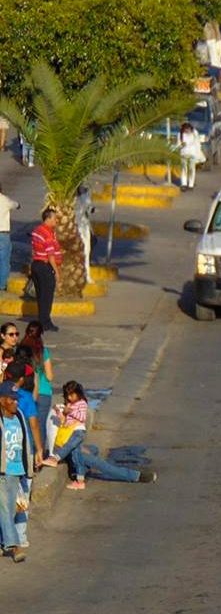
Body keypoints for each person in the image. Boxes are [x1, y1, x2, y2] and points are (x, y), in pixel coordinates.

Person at [0, 381, 33, 562]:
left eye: (16, 399)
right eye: (12, 400)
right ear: (2, 400)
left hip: (16, 470)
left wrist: (29, 467)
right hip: (2, 472)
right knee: (5, 508)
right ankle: (14, 546)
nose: (16, 403)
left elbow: (26, 441)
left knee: (10, 509)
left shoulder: (19, 415)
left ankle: (2, 543)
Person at [20, 322, 53, 453]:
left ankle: (29, 455)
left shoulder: (21, 350)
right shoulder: (43, 351)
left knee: (28, 425)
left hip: (26, 392)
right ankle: (39, 457)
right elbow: (50, 376)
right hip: (44, 392)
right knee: (41, 425)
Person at [30, 208, 61, 332]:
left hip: (36, 265)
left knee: (41, 296)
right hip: (45, 267)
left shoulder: (37, 230)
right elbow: (50, 255)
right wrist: (57, 272)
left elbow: (33, 249)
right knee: (47, 296)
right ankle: (45, 322)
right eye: (54, 218)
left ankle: (42, 320)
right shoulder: (47, 233)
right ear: (47, 218)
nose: (56, 221)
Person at [0, 183, 20, 292]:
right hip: (3, 234)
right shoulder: (5, 200)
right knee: (4, 260)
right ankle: (2, 285)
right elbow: (16, 205)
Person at [177, 123, 205, 191]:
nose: (187, 131)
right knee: (184, 169)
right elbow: (178, 145)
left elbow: (197, 143)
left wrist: (198, 154)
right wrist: (182, 145)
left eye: (188, 129)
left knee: (191, 169)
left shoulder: (195, 133)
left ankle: (191, 184)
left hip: (193, 154)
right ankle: (184, 184)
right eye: (185, 130)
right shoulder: (180, 134)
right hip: (183, 154)